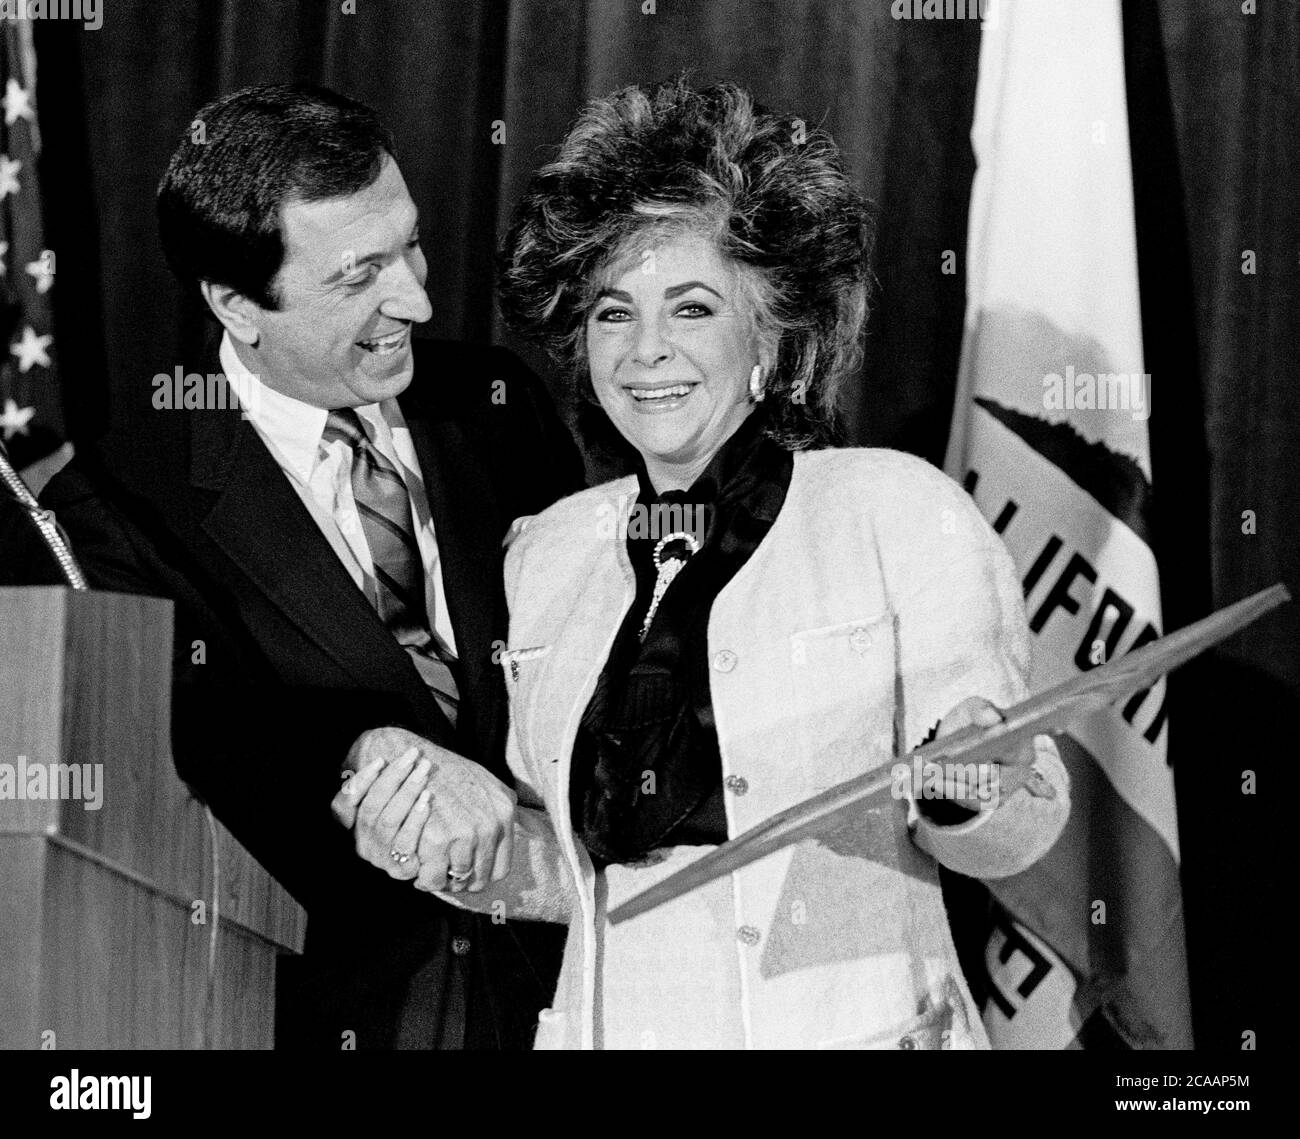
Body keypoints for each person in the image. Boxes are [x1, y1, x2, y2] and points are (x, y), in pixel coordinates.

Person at [344, 78, 1070, 1050]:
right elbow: (576, 874)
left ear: (771, 332)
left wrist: (974, 773)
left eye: (690, 308)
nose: (646, 351)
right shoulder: (545, 554)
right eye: (612, 312)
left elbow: (1015, 825)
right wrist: (436, 842)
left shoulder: (896, 511)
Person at [30, 84, 582, 1049]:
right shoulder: (123, 497)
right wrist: (361, 754)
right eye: (359, 273)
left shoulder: (499, 407)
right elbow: (198, 751)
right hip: (339, 1010)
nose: (415, 296)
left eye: (407, 245)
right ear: (237, 304)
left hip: (557, 996)